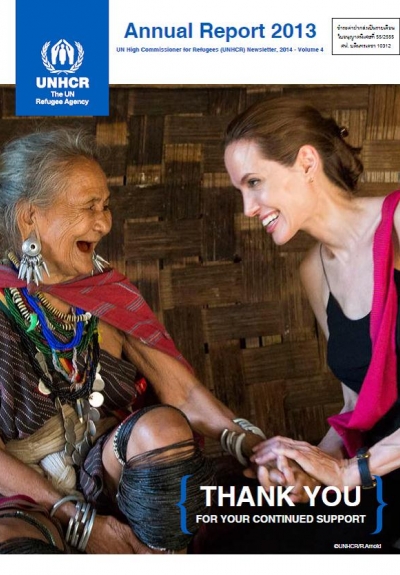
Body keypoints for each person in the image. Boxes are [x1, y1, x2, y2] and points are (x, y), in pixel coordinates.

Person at [0, 127, 267, 554]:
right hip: (23, 497)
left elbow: (183, 393)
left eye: (105, 207)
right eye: (89, 207)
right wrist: (76, 519)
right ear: (30, 216)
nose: (104, 223)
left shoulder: (109, 297)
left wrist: (255, 445)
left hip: (109, 476)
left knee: (162, 427)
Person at [223, 96, 400, 551]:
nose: (247, 207)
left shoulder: (398, 223)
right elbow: (358, 404)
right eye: (240, 190)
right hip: (377, 474)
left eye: (255, 182)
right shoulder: (313, 272)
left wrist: (348, 473)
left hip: (374, 472)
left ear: (305, 162)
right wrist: (305, 466)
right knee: (244, 528)